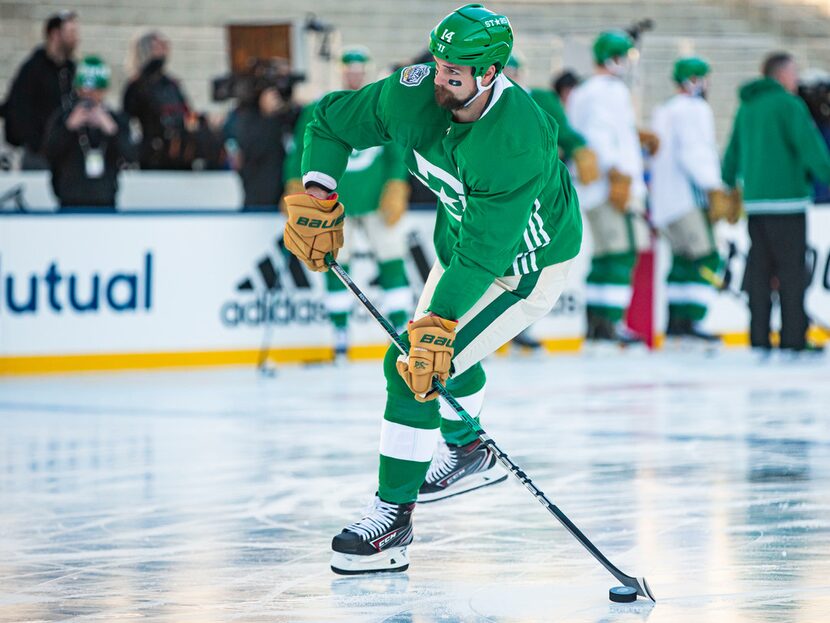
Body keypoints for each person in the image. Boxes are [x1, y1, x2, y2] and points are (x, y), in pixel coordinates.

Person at [281, 4, 581, 574]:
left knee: (414, 367)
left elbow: (487, 253)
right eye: (438, 62)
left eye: (455, 71)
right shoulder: (412, 93)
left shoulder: (516, 136)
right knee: (430, 357)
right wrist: (318, 191)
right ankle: (469, 450)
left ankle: (392, 520)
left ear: (490, 73)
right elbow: (329, 122)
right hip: (458, 251)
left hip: (523, 267)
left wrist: (437, 328)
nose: (440, 77)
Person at [284, 47, 413, 359]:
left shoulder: (382, 104)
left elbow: (397, 151)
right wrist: (295, 186)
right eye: (349, 70)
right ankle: (340, 334)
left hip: (375, 200)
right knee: (335, 265)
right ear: (341, 72)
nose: (354, 76)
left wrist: (396, 184)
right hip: (334, 202)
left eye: (359, 70)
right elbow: (302, 149)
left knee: (393, 261)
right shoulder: (321, 106)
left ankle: (401, 332)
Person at [722, 52, 830, 355]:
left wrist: (727, 183)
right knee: (792, 273)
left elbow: (732, 151)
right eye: (794, 73)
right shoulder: (789, 105)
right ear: (781, 74)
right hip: (788, 203)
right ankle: (793, 337)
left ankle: (758, 336)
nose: (796, 80)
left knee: (759, 272)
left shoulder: (747, 107)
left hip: (756, 203)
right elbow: (810, 147)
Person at [567, 30, 659, 345]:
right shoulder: (608, 90)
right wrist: (617, 169)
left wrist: (636, 136)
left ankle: (597, 323)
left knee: (605, 256)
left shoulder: (584, 90)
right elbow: (600, 134)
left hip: (596, 187)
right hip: (612, 186)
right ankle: (610, 323)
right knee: (621, 253)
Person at [502, 54, 598, 349]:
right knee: (496, 261)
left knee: (530, 264)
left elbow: (564, 131)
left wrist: (580, 150)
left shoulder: (538, 98)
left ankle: (518, 326)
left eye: (515, 71)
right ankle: (489, 327)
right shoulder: (487, 106)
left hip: (538, 195)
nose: (511, 76)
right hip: (501, 193)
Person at [650, 57, 739, 342]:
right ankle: (692, 320)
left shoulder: (665, 109)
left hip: (665, 201)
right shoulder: (694, 109)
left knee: (681, 260)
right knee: (706, 255)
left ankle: (676, 321)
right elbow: (695, 152)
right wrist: (714, 187)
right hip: (685, 199)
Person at [43, 56, 133, 209]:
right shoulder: (63, 117)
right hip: (69, 201)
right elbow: (48, 152)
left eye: (95, 91)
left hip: (105, 200)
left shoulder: (116, 120)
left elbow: (131, 154)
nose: (89, 96)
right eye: (84, 90)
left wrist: (111, 129)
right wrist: (69, 127)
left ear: (104, 91)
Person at [123, 32, 218, 170]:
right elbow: (128, 117)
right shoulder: (137, 86)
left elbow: (186, 113)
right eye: (157, 46)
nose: (164, 51)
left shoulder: (172, 84)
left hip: (179, 152)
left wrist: (202, 119)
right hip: (152, 153)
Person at [2, 10, 79, 170]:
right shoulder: (33, 69)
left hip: (65, 152)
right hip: (38, 154)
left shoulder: (71, 70)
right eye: (70, 32)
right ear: (55, 34)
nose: (76, 38)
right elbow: (17, 108)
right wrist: (36, 143)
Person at [228, 59, 299, 210]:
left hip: (283, 197)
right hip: (259, 198)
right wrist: (267, 115)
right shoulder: (245, 114)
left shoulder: (284, 114)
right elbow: (250, 149)